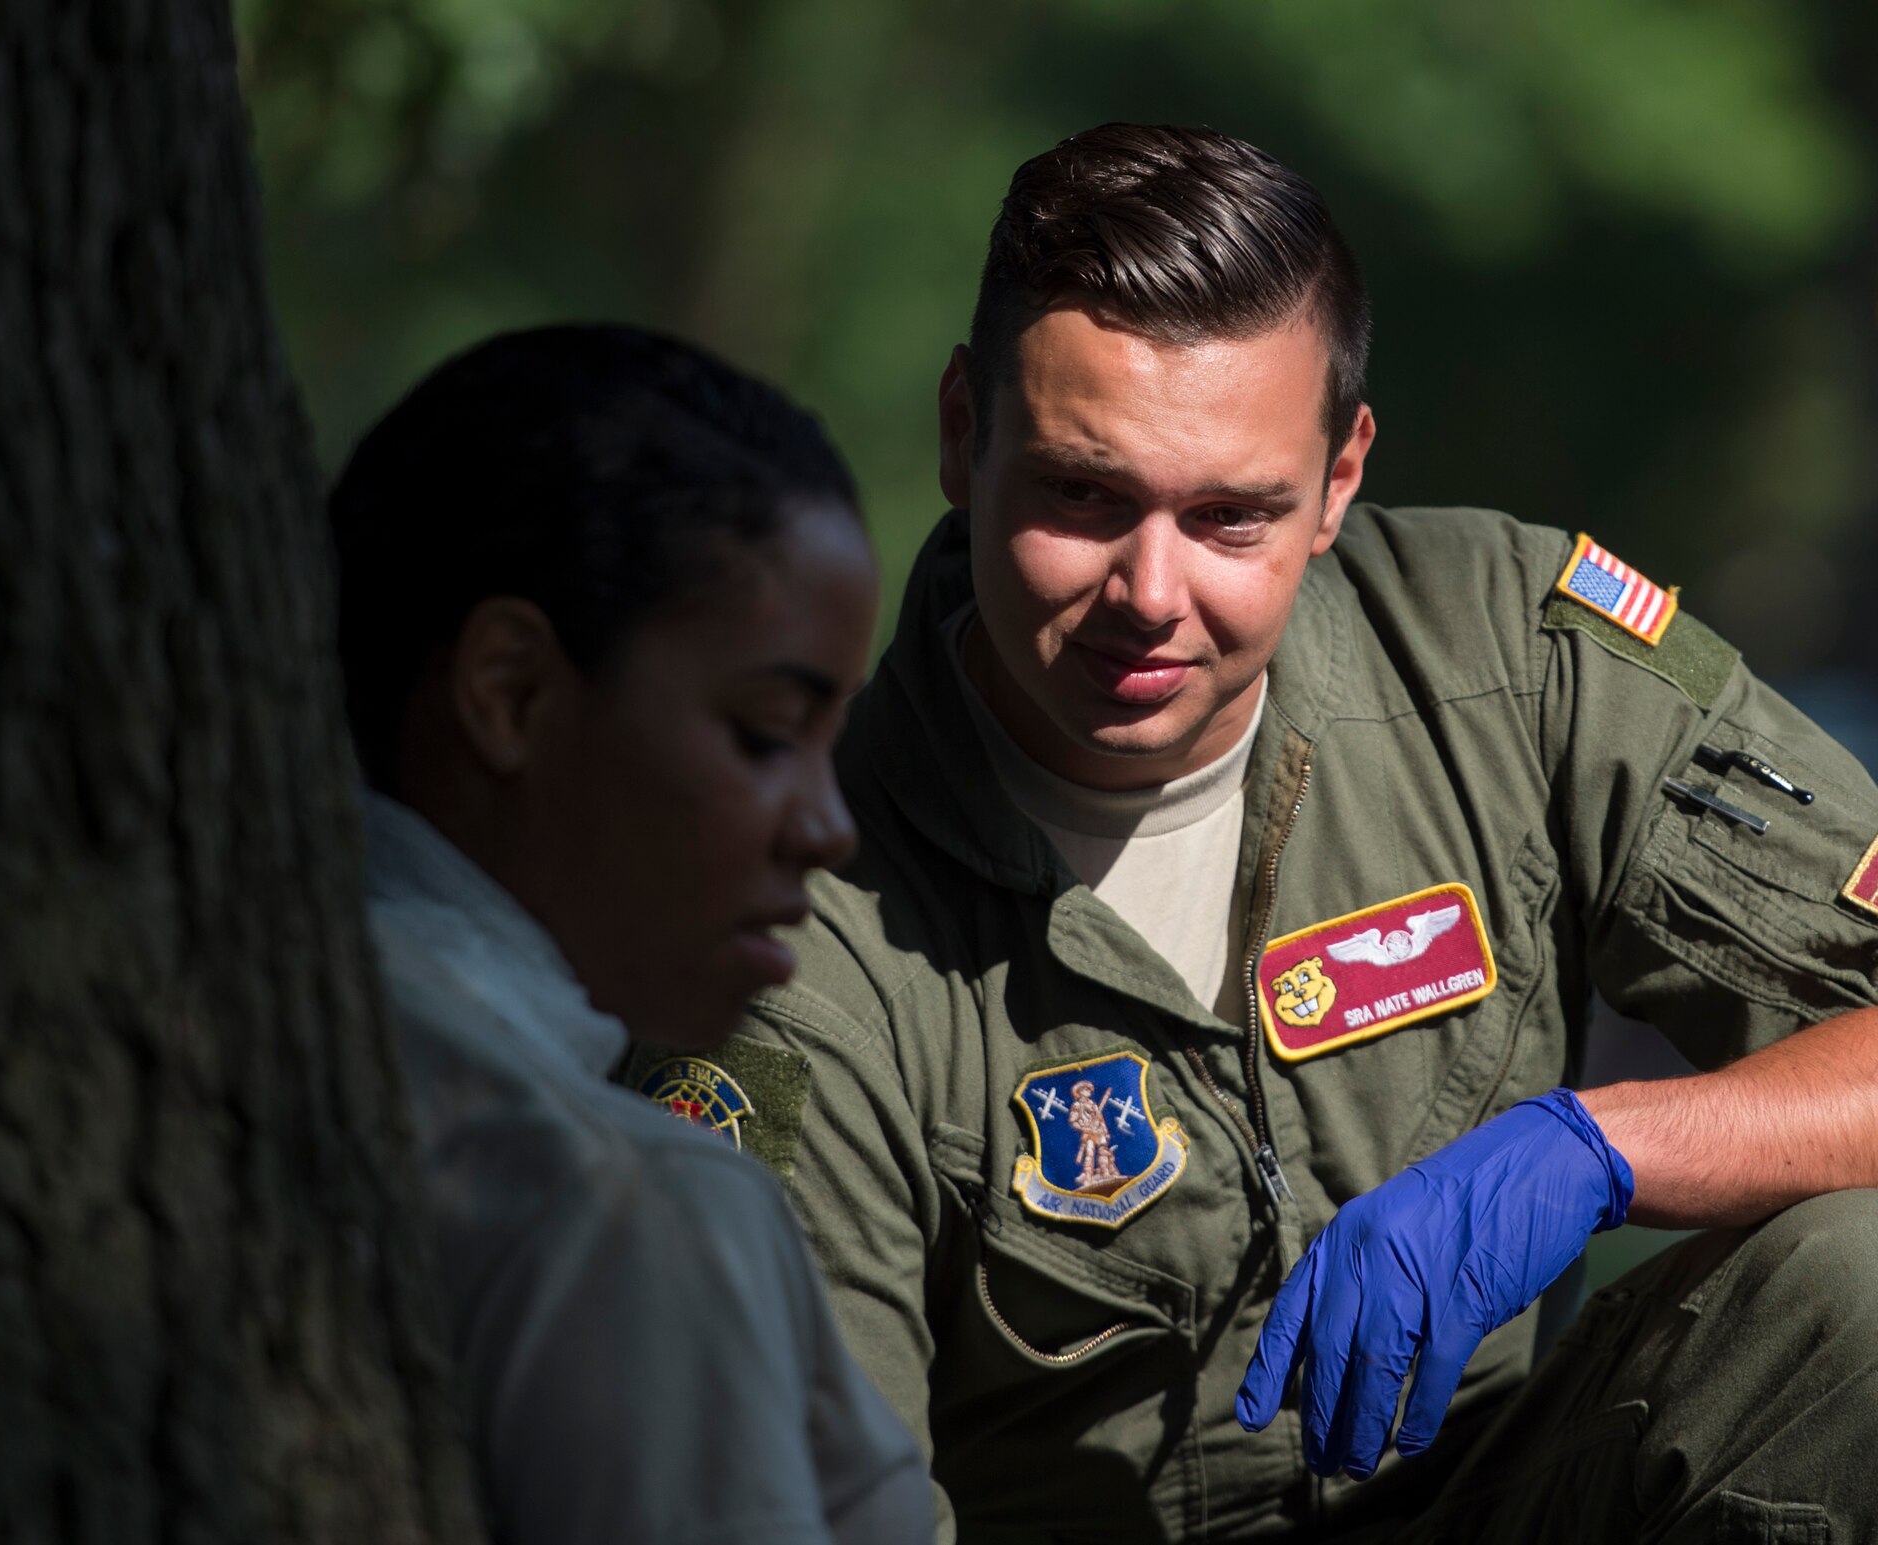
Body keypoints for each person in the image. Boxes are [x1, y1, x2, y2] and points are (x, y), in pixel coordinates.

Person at [622, 126, 1878, 1541]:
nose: (1149, 594)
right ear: (964, 435)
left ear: (1342, 476)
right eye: (1084, 496)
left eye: (1230, 516)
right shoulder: (789, 927)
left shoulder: (1510, 663)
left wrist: (1603, 1144)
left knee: (1860, 1288)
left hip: (1502, 1502)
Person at [330, 324, 937, 1545]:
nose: (828, 829)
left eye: (833, 747)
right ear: (510, 691)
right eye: (767, 735)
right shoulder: (623, 1201)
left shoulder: (245, 1000)